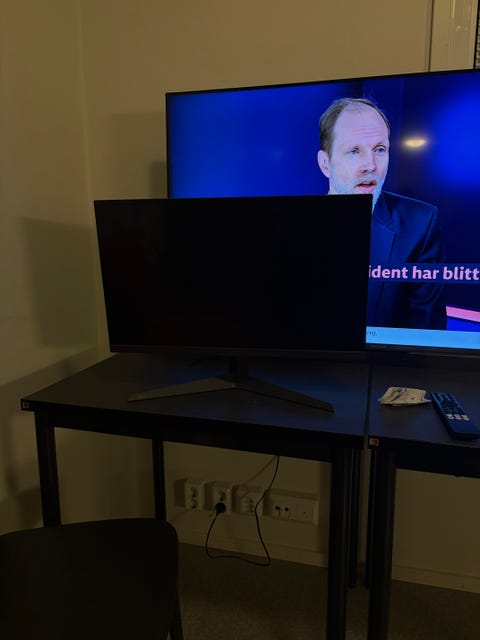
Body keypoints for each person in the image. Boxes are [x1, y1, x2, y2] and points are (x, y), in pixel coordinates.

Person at [317, 97, 446, 330]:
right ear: (325, 163)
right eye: (354, 151)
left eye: (379, 150)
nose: (371, 165)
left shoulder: (420, 223)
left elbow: (426, 333)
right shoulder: (288, 226)